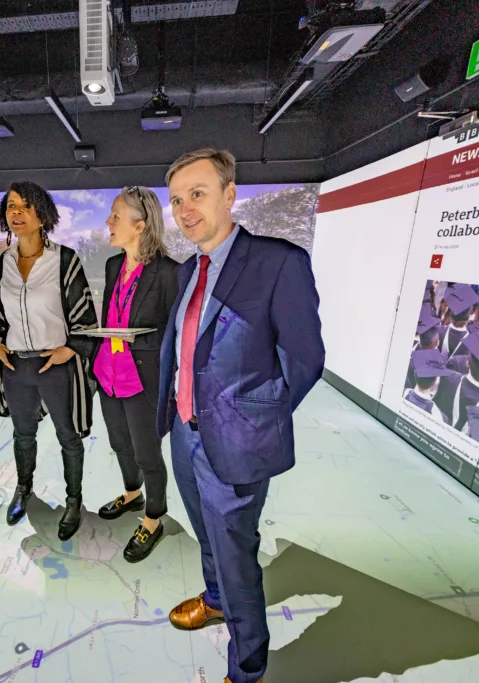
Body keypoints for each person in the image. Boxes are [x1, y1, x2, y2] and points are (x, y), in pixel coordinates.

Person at [156, 148, 325, 683]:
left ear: (230, 194)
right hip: (185, 434)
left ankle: (247, 668)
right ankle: (213, 600)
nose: (185, 210)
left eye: (198, 194)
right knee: (208, 536)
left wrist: (253, 418)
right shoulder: (188, 270)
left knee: (237, 557)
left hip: (235, 441)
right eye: (177, 200)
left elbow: (304, 359)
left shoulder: (279, 262)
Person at [0, 181, 99, 542]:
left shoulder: (64, 260)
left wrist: (72, 347)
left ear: (43, 215)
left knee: (69, 437)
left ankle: (73, 500)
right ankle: (23, 488)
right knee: (22, 434)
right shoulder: (4, 260)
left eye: (25, 207)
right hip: (17, 366)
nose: (16, 213)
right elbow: (1, 314)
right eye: (11, 207)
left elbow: (85, 313)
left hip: (57, 365)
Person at [94, 185, 179, 563]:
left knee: (148, 454)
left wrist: (138, 337)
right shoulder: (114, 265)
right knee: (119, 444)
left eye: (115, 216)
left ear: (140, 225)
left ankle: (153, 517)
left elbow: (177, 334)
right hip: (108, 373)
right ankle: (133, 495)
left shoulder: (169, 273)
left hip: (142, 377)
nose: (109, 223)